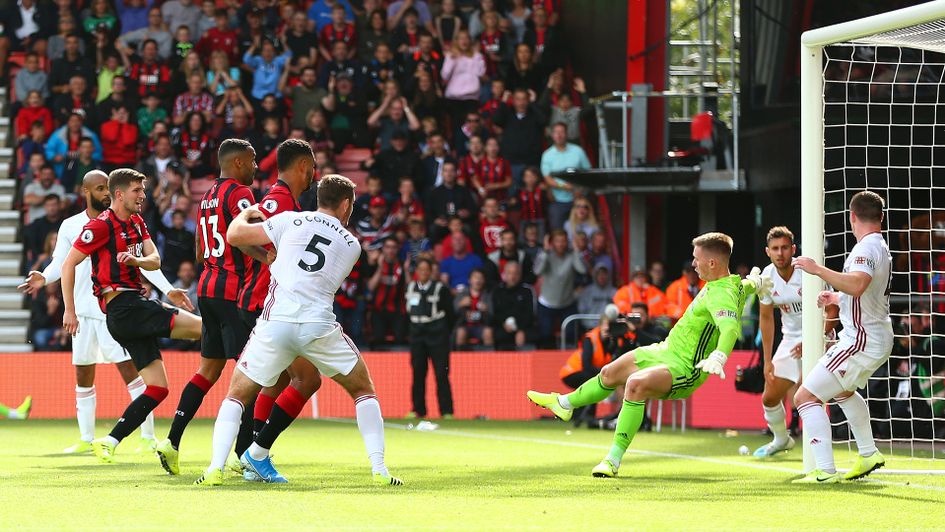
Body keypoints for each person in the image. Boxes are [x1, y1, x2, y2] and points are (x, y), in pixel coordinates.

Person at [196, 173, 403, 487]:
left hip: (276, 321)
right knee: (362, 389)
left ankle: (215, 468)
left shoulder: (289, 220)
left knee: (237, 395)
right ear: (346, 204)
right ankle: (379, 470)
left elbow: (235, 236)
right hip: (317, 327)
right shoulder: (352, 245)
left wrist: (246, 213)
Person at [528, 232, 771, 477]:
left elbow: (729, 328)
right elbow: (744, 286)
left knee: (635, 385)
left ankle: (612, 461)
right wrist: (756, 284)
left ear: (712, 263)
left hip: (685, 368)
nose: (693, 264)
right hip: (665, 350)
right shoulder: (731, 284)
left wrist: (720, 356)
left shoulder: (722, 294)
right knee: (610, 372)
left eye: (697, 259)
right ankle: (564, 404)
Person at [19, 170, 182, 453]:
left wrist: (168, 290)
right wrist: (44, 278)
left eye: (108, 187)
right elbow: (61, 262)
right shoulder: (71, 225)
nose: (106, 192)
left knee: (131, 370)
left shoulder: (124, 221)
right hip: (82, 310)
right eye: (99, 188)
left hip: (114, 308)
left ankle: (147, 436)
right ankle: (86, 438)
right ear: (85, 191)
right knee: (83, 373)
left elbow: (142, 260)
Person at [58, 169, 201, 463]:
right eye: (137, 191)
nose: (143, 196)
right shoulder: (100, 226)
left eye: (144, 191)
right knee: (205, 329)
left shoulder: (136, 222)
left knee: (158, 389)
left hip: (131, 308)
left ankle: (109, 441)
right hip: (124, 306)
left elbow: (155, 259)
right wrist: (69, 309)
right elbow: (68, 264)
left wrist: (140, 262)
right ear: (119, 194)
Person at [154, 140, 261, 476]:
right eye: (254, 160)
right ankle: (244, 455)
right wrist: (269, 256)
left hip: (208, 288)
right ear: (240, 163)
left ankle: (171, 441)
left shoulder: (207, 197)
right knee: (253, 372)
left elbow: (200, 248)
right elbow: (250, 235)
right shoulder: (238, 194)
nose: (257, 167)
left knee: (208, 371)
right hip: (233, 292)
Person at [791, 191, 893, 483]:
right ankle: (869, 453)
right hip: (871, 334)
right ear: (881, 217)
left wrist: (816, 270)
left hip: (862, 338)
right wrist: (836, 295)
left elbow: (859, 285)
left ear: (852, 216)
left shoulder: (865, 249)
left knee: (805, 397)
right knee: (841, 391)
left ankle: (824, 470)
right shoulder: (879, 246)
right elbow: (865, 293)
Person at [753, 226, 838, 458]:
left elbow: (832, 309)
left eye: (784, 248)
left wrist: (815, 339)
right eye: (775, 249)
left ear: (793, 249)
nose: (780, 253)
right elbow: (766, 317)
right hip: (791, 341)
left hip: (821, 337)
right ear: (767, 252)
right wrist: (767, 360)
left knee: (815, 395)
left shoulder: (807, 271)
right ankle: (781, 439)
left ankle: (824, 451)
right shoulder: (766, 278)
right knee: (769, 397)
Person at [405, 256, 454, 419]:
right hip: (416, 334)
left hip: (437, 334)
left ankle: (446, 411)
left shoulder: (441, 288)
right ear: (417, 272)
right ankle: (418, 410)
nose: (424, 273)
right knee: (418, 373)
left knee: (441, 373)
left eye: (427, 270)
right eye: (421, 270)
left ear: (432, 271)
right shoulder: (410, 287)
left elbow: (451, 314)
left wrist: (444, 331)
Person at [533, 229, 586, 347]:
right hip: (547, 303)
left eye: (563, 241)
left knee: (571, 334)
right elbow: (537, 270)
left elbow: (582, 269)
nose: (561, 244)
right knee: (545, 336)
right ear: (552, 243)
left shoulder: (571, 255)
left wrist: (577, 250)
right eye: (558, 241)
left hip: (567, 303)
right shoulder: (546, 254)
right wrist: (545, 251)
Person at [541, 122, 591, 230]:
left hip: (578, 199)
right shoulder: (547, 155)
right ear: (552, 135)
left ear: (567, 134)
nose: (559, 135)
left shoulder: (578, 151)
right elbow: (547, 178)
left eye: (562, 132)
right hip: (557, 200)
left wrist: (579, 189)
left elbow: (588, 172)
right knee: (558, 232)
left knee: (579, 232)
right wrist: (566, 187)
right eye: (556, 132)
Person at [366, 237, 407, 347]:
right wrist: (380, 268)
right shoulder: (375, 265)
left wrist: (407, 271)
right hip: (379, 310)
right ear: (383, 249)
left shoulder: (402, 265)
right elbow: (371, 286)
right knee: (378, 340)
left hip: (398, 310)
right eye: (388, 247)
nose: (391, 251)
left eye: (393, 247)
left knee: (400, 340)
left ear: (398, 249)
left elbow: (409, 287)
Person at [490, 261, 535, 349]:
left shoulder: (527, 291)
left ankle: (523, 362)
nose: (513, 277)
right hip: (502, 326)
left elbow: (530, 314)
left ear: (520, 275)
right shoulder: (497, 291)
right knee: (491, 333)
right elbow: (495, 313)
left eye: (516, 273)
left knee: (523, 336)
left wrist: (519, 327)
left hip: (522, 326)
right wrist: (504, 324)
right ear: (504, 274)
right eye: (510, 273)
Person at [578, 263, 617, 330]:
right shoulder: (587, 291)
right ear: (595, 276)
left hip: (609, 327)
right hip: (589, 327)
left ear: (609, 276)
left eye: (604, 274)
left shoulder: (615, 292)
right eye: (599, 274)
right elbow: (581, 310)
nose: (602, 276)